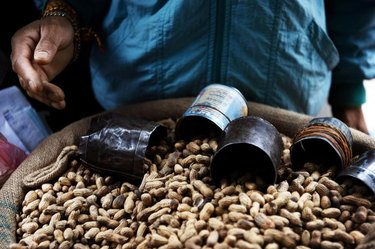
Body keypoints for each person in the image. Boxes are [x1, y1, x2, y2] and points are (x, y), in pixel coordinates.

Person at [10, 0, 375, 134]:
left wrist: (349, 86)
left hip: (285, 83)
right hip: (142, 89)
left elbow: (356, 6)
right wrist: (63, 12)